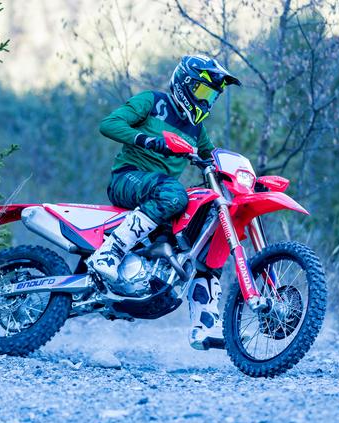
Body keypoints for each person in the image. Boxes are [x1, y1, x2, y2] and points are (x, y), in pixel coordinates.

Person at [86, 55, 241, 350]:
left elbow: (212, 159)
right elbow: (109, 124)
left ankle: (204, 326)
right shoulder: (153, 101)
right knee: (174, 194)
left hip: (161, 196)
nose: (206, 100)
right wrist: (148, 140)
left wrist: (243, 178)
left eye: (211, 95)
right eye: (203, 91)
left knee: (204, 241)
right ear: (185, 84)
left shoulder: (196, 129)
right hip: (127, 179)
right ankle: (108, 254)